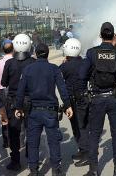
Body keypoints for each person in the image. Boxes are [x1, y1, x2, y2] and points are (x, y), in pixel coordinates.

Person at [80, 22, 116, 176]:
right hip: (115, 99)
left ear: (100, 35)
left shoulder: (91, 53)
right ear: (114, 35)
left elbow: (82, 76)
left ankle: (93, 170)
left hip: (97, 98)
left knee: (94, 134)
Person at [15, 43, 73, 176]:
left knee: (33, 141)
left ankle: (34, 170)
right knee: (53, 141)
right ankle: (55, 169)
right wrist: (68, 105)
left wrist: (18, 108)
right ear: (47, 55)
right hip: (50, 112)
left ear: (35, 54)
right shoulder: (54, 69)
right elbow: (62, 88)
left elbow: (20, 91)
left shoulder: (28, 70)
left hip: (34, 111)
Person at [1, 34, 36, 171]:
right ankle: (31, 156)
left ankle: (15, 160)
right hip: (30, 101)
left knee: (14, 132)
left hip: (13, 102)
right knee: (31, 130)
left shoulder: (9, 63)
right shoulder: (33, 62)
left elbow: (3, 83)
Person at [59, 38, 90, 167]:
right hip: (85, 97)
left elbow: (58, 73)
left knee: (78, 126)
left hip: (74, 99)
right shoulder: (85, 63)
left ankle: (86, 152)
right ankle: (83, 149)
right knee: (84, 125)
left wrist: (63, 62)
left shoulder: (65, 66)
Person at [0, 43, 14, 148]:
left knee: (4, 116)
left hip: (2, 91)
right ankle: (20, 140)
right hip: (14, 90)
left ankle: (6, 141)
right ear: (13, 50)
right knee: (17, 115)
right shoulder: (16, 62)